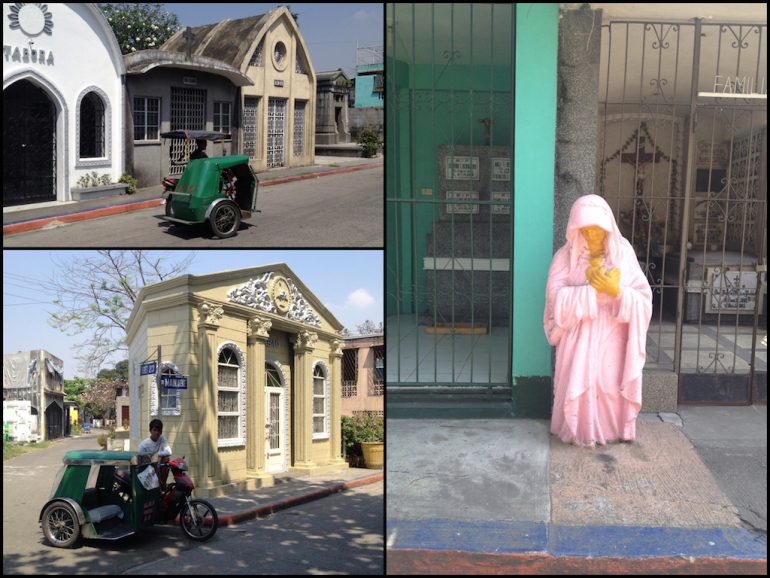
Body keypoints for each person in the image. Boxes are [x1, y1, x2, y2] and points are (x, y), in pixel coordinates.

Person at [543, 194, 652, 447]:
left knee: (608, 383)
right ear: (576, 230)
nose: (592, 237)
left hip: (612, 336)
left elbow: (644, 299)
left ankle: (612, 428)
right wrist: (590, 293)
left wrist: (618, 292)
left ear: (608, 229)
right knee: (578, 383)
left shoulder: (623, 255)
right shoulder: (564, 258)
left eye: (598, 231)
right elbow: (553, 299)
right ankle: (578, 429)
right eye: (586, 231)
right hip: (577, 337)